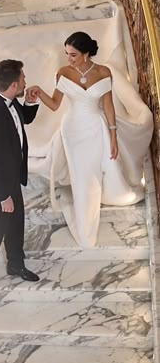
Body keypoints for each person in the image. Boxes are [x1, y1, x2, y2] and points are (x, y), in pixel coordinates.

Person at [26, 31, 153, 248]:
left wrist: (113, 136)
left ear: (86, 54)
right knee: (80, 174)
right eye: (67, 54)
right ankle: (85, 228)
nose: (68, 59)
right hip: (72, 130)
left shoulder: (104, 72)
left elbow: (109, 106)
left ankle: (89, 218)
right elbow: (56, 105)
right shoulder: (63, 73)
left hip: (95, 127)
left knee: (95, 171)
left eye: (73, 55)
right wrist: (40, 93)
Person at [0, 59, 40, 299]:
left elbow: (24, 119)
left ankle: (15, 264)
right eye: (23, 78)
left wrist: (30, 102)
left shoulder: (11, 103)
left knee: (16, 224)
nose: (26, 81)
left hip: (11, 178)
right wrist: (3, 196)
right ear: (14, 84)